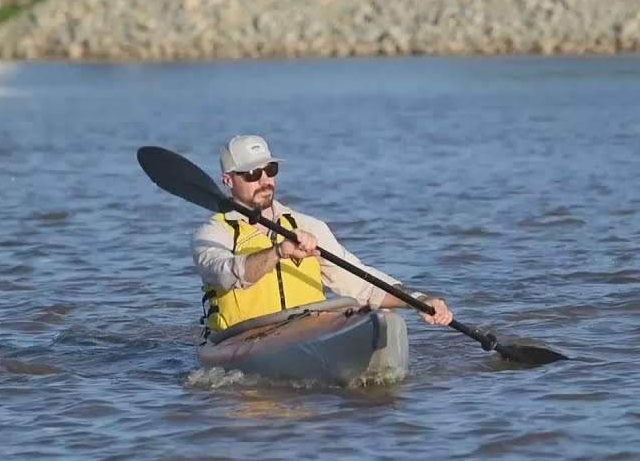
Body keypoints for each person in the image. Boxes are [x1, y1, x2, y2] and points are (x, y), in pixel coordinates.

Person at [191, 134, 453, 336]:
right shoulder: (213, 233)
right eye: (252, 173)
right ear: (227, 180)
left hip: (306, 331)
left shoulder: (308, 226)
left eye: (270, 170)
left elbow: (359, 283)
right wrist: (279, 251)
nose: (264, 180)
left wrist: (419, 300)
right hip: (242, 338)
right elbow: (225, 274)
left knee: (378, 317)